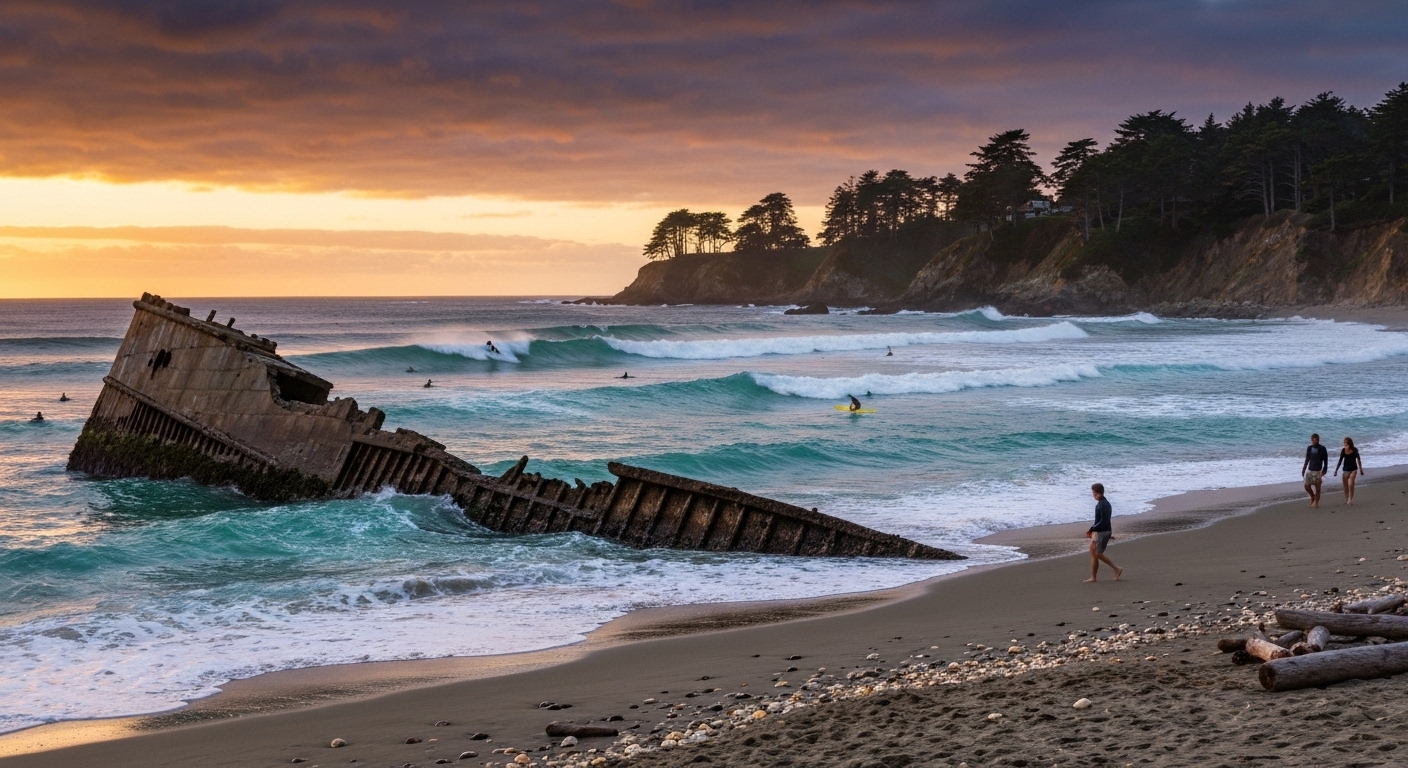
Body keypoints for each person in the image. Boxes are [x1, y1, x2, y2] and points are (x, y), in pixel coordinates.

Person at [1084, 483, 1122, 582]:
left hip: (1103, 531)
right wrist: (1093, 529)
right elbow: (1102, 521)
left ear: (1098, 493)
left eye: (1093, 492)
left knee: (1098, 554)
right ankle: (1093, 577)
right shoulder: (1103, 503)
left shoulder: (1102, 504)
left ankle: (1117, 569)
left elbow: (1104, 521)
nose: (1093, 495)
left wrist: (1092, 529)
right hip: (1102, 531)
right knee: (1093, 552)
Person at [1334, 436, 1365, 506]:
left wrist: (1361, 469)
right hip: (1345, 470)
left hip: (1353, 469)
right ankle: (1347, 499)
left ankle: (1350, 500)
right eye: (1344, 443)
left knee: (1350, 484)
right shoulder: (1343, 450)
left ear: (1350, 444)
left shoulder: (1355, 450)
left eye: (1346, 443)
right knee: (1345, 486)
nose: (1345, 444)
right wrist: (1336, 470)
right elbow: (1340, 460)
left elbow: (1358, 460)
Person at [1302, 433, 1330, 508]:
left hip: (1318, 471)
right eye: (1312, 440)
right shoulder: (1309, 448)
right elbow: (1307, 459)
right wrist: (1303, 469)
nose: (1313, 441)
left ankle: (1316, 502)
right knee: (1306, 486)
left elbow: (1326, 460)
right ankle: (1312, 497)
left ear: (1318, 440)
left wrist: (1325, 470)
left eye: (1315, 440)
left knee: (1317, 488)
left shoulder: (1322, 448)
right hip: (1310, 470)